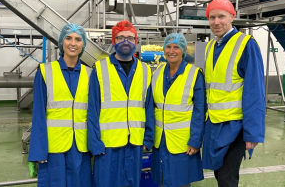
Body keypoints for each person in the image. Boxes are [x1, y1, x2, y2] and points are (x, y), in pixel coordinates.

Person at [202, 0, 265, 187]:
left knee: (227, 179)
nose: (216, 22)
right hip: (214, 124)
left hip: (235, 126)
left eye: (221, 16)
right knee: (219, 174)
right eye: (212, 18)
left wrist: (252, 133)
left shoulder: (246, 44)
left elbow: (255, 91)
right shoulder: (211, 46)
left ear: (232, 17)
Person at [87, 20, 154, 187]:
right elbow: (92, 109)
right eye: (121, 38)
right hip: (107, 145)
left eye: (130, 38)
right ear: (113, 41)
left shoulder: (145, 70)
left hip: (135, 143)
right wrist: (95, 143)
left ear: (136, 41)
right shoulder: (100, 69)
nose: (126, 41)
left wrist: (148, 138)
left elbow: (149, 107)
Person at [28, 23, 92, 187]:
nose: (73, 43)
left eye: (78, 39)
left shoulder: (90, 74)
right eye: (68, 38)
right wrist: (37, 151)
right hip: (53, 149)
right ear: (61, 42)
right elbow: (38, 116)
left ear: (83, 44)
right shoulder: (44, 71)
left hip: (81, 148)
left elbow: (94, 114)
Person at [151, 33, 206, 187]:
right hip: (160, 140)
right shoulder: (156, 74)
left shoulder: (194, 74)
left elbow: (200, 111)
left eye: (176, 47)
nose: (172, 51)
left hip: (182, 142)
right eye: (168, 47)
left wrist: (195, 140)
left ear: (183, 50)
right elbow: (152, 107)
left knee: (180, 181)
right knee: (161, 180)